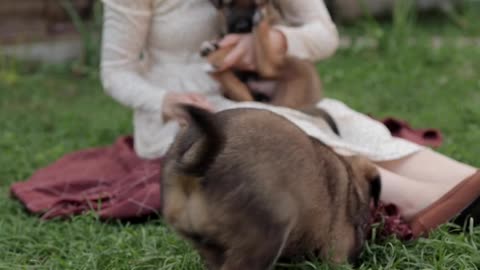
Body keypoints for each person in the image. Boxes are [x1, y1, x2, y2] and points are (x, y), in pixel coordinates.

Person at [100, 0, 480, 238]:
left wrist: (277, 41)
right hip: (184, 114)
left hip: (271, 91)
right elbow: (114, 71)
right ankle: (418, 204)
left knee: (337, 116)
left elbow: (324, 34)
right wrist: (164, 100)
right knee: (276, 129)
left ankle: (462, 180)